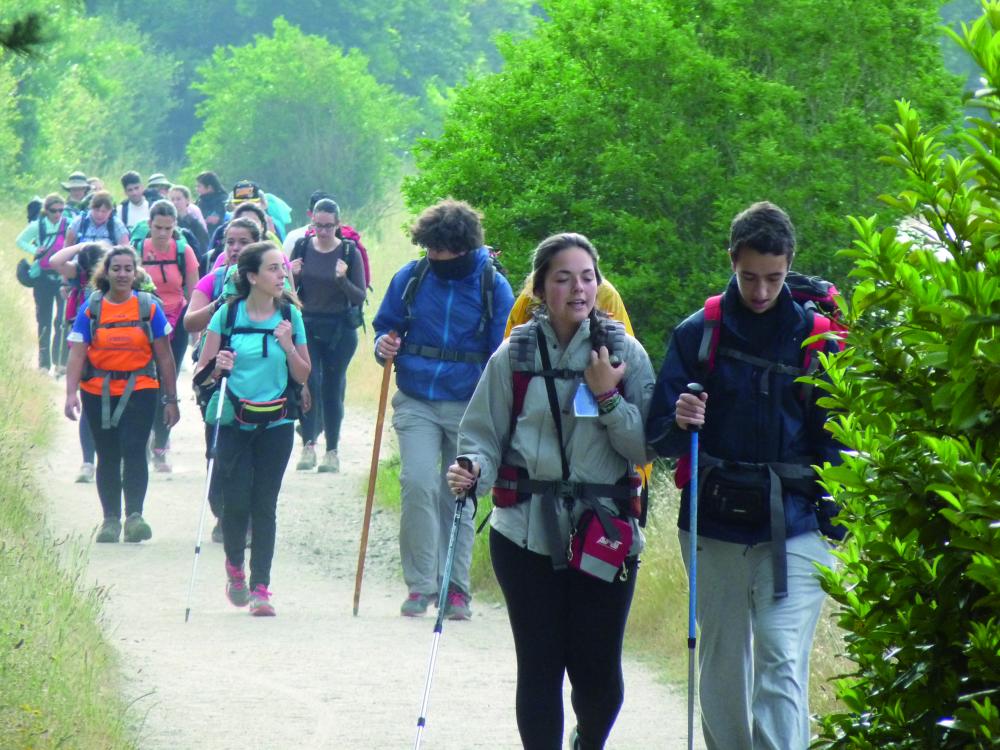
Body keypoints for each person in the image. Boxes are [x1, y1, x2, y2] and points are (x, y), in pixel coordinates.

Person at [645, 201, 843, 749]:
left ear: (790, 264)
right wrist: (679, 419)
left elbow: (838, 440)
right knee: (723, 663)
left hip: (795, 525)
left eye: (774, 278)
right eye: (750, 276)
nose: (761, 291)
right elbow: (659, 438)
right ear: (732, 260)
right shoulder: (698, 334)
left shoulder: (818, 340)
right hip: (713, 526)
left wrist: (835, 523)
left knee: (781, 658)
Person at [447, 232, 654, 750]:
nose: (578, 289)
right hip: (524, 532)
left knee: (598, 674)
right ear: (540, 289)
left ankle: (588, 741)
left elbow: (644, 447)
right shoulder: (513, 355)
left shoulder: (624, 353)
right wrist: (472, 468)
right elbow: (483, 435)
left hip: (604, 532)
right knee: (540, 666)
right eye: (563, 278)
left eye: (587, 277)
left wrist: (608, 395)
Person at [373, 198, 515, 620]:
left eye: (440, 250)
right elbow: (386, 325)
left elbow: (503, 352)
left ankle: (455, 588)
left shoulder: (493, 286)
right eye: (429, 248)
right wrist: (383, 345)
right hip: (415, 398)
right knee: (416, 483)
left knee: (458, 493)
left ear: (463, 247)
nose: (433, 257)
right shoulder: (412, 277)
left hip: (468, 405)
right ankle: (421, 586)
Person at [194, 241, 311, 616]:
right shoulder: (227, 315)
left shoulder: (291, 315)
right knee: (236, 502)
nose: (282, 275)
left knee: (265, 504)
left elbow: (303, 374)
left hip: (277, 421)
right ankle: (235, 569)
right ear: (252, 276)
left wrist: (288, 346)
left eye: (283, 268)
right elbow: (200, 375)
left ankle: (261, 587)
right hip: (233, 421)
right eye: (273, 268)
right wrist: (217, 366)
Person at [63, 246, 179, 543]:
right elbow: (77, 353)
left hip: (141, 388)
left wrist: (171, 399)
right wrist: (70, 393)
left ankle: (135, 517)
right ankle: (111, 520)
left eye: (128, 268)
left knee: (134, 448)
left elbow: (165, 356)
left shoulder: (148, 307)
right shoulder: (91, 308)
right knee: (108, 453)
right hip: (97, 391)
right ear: (107, 272)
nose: (123, 274)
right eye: (116, 268)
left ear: (136, 272)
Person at [184, 216, 262, 543]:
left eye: (243, 242)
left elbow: (291, 317)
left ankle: (247, 519)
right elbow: (190, 322)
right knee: (218, 449)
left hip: (260, 378)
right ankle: (222, 512)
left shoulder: (274, 279)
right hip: (215, 377)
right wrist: (221, 303)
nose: (235, 248)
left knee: (255, 451)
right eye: (230, 242)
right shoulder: (213, 280)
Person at [289, 198, 366, 472]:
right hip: (307, 325)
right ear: (312, 223)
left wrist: (342, 280)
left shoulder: (349, 252)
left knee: (333, 388)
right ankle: (308, 445)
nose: (322, 231)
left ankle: (332, 451)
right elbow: (288, 292)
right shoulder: (302, 247)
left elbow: (359, 296)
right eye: (317, 225)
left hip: (340, 329)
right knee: (309, 384)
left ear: (337, 224)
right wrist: (294, 276)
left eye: (327, 226)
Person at [134, 200, 200, 472]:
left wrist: (196, 333)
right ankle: (144, 438)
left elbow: (195, 295)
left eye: (168, 228)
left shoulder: (184, 251)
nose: (162, 233)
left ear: (175, 227)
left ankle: (160, 446)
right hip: (145, 321)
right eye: (158, 227)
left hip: (177, 320)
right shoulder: (138, 250)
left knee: (166, 379)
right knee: (145, 381)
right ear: (149, 225)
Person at [49, 241, 108, 483]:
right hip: (84, 347)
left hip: (111, 348)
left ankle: (100, 462)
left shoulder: (115, 277)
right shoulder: (79, 275)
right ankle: (88, 462)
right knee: (90, 402)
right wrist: (83, 244)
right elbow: (54, 261)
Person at [16, 193, 70, 372]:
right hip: (42, 277)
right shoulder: (37, 225)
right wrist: (35, 250)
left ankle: (60, 362)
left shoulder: (69, 224)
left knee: (62, 321)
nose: (58, 214)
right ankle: (44, 364)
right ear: (46, 210)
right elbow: (20, 240)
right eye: (54, 210)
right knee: (44, 320)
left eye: (61, 210)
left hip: (62, 277)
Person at [65, 190, 129, 247]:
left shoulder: (116, 224)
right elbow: (66, 248)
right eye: (97, 210)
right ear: (90, 208)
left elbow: (125, 249)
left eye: (104, 211)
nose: (99, 214)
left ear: (110, 211)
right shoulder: (79, 221)